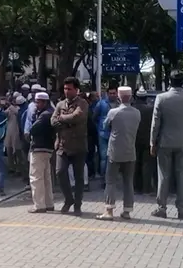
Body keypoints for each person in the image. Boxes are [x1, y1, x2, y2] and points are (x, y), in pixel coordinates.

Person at [149, 70, 183, 219]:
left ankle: (161, 208)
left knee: (164, 175)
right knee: (181, 175)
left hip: (165, 141)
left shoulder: (161, 98)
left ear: (169, 81)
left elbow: (156, 122)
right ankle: (182, 209)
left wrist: (152, 142)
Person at [97, 86, 141, 221]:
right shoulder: (137, 113)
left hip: (114, 151)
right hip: (130, 150)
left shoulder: (113, 112)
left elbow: (105, 126)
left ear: (119, 97)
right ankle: (127, 211)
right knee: (128, 182)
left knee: (110, 181)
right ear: (131, 97)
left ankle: (109, 210)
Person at [51, 77, 89, 216]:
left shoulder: (82, 103)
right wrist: (66, 120)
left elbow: (78, 117)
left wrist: (62, 119)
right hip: (62, 145)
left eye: (70, 89)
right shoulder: (60, 104)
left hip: (78, 146)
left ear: (76, 89)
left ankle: (77, 204)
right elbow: (53, 121)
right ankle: (69, 199)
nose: (67, 91)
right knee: (60, 172)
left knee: (79, 178)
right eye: (65, 88)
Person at [27, 92, 55, 213]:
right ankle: (49, 203)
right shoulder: (51, 113)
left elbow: (33, 129)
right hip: (48, 148)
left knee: (36, 178)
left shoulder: (44, 115)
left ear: (44, 102)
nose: (36, 104)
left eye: (38, 102)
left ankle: (39, 205)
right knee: (46, 177)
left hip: (38, 148)